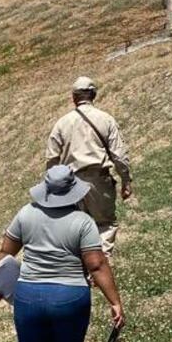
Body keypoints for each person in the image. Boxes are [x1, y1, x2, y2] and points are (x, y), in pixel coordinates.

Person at [0, 165, 124, 342]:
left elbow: (6, 252)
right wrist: (115, 302)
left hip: (28, 294)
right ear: (73, 191)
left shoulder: (26, 213)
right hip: (69, 296)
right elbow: (96, 264)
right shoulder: (82, 221)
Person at [45, 76, 133, 258]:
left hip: (70, 183)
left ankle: (81, 268)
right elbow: (119, 155)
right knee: (104, 225)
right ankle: (101, 268)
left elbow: (52, 157)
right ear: (93, 95)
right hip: (99, 180)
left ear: (73, 97)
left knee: (77, 228)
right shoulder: (106, 119)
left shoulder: (62, 123)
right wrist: (126, 180)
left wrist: (54, 187)